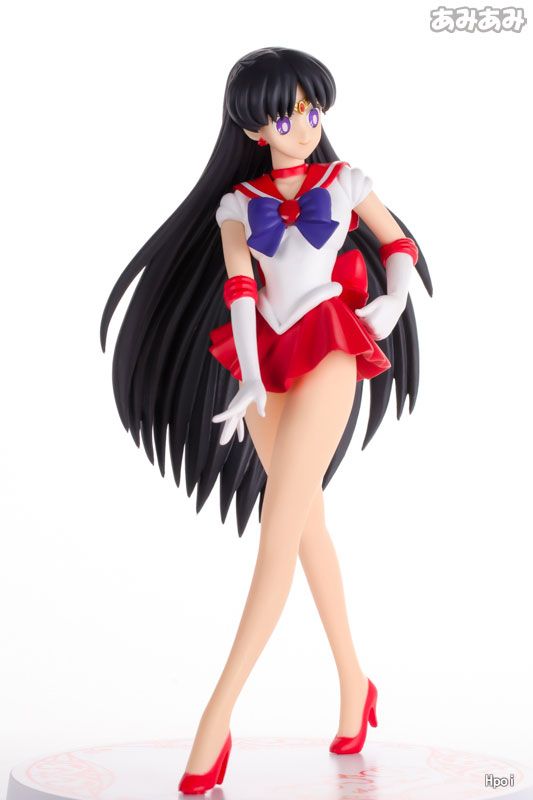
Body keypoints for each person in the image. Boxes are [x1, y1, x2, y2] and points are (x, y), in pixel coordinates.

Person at [100, 46, 432, 795]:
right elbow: (241, 290)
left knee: (276, 538)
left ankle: (214, 720)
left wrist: (393, 298)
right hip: (266, 362)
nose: (304, 127)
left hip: (331, 344)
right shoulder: (237, 205)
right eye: (286, 118)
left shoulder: (345, 182)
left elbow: (397, 243)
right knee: (305, 527)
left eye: (312, 111)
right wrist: (248, 372)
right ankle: (356, 684)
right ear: (254, 129)